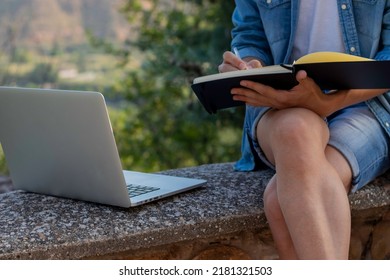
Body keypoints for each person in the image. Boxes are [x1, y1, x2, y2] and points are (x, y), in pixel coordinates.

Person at [218, 0, 390, 259]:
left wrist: (330, 102)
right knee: (295, 131)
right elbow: (250, 36)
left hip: (365, 103)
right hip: (279, 103)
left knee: (280, 199)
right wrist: (248, 65)